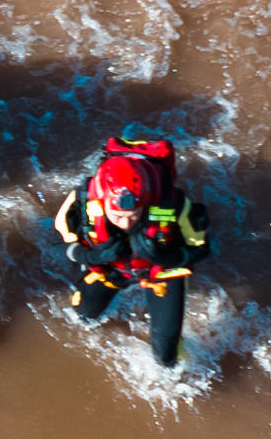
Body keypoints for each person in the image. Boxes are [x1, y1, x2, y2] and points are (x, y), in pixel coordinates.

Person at [54, 133, 209, 367]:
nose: (126, 223)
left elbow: (202, 248)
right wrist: (93, 256)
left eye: (134, 214)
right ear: (102, 202)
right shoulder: (82, 200)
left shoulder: (175, 203)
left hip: (161, 271)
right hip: (110, 269)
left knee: (166, 354)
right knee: (83, 316)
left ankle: (178, 372)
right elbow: (69, 244)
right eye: (117, 216)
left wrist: (167, 257)